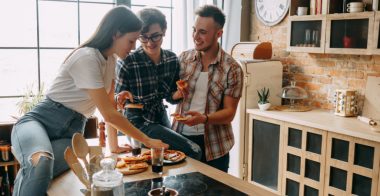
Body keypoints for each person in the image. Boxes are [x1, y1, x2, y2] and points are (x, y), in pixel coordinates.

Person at [10, 6, 168, 196]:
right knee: (41, 163)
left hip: (72, 134)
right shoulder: (87, 57)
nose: (134, 47)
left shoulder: (110, 61)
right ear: (116, 34)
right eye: (131, 40)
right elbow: (109, 114)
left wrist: (114, 146)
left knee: (41, 172)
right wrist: (147, 140)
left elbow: (109, 108)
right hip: (39, 122)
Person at [114, 8, 202, 160]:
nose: (150, 43)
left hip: (160, 117)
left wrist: (180, 93)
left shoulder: (171, 59)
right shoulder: (127, 62)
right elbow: (115, 101)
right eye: (143, 37)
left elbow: (170, 97)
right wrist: (119, 98)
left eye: (155, 36)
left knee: (172, 158)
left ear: (164, 31)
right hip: (136, 122)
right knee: (194, 151)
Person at [172, 5, 243, 172]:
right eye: (194, 30)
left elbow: (229, 113)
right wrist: (176, 93)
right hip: (181, 139)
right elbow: (170, 94)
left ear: (218, 34)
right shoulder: (184, 58)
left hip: (215, 146)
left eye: (202, 32)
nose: (195, 37)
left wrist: (203, 118)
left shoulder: (232, 68)